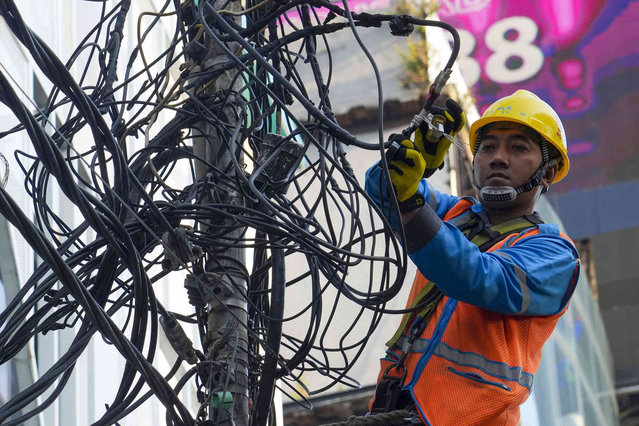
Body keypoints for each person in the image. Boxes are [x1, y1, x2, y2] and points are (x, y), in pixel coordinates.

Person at [364, 90, 580, 425]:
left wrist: (409, 203)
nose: (498, 158)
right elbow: (383, 190)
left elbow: (480, 278)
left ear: (548, 173)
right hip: (396, 408)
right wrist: (416, 157)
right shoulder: (456, 214)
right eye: (488, 146)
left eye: (518, 147)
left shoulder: (554, 253)